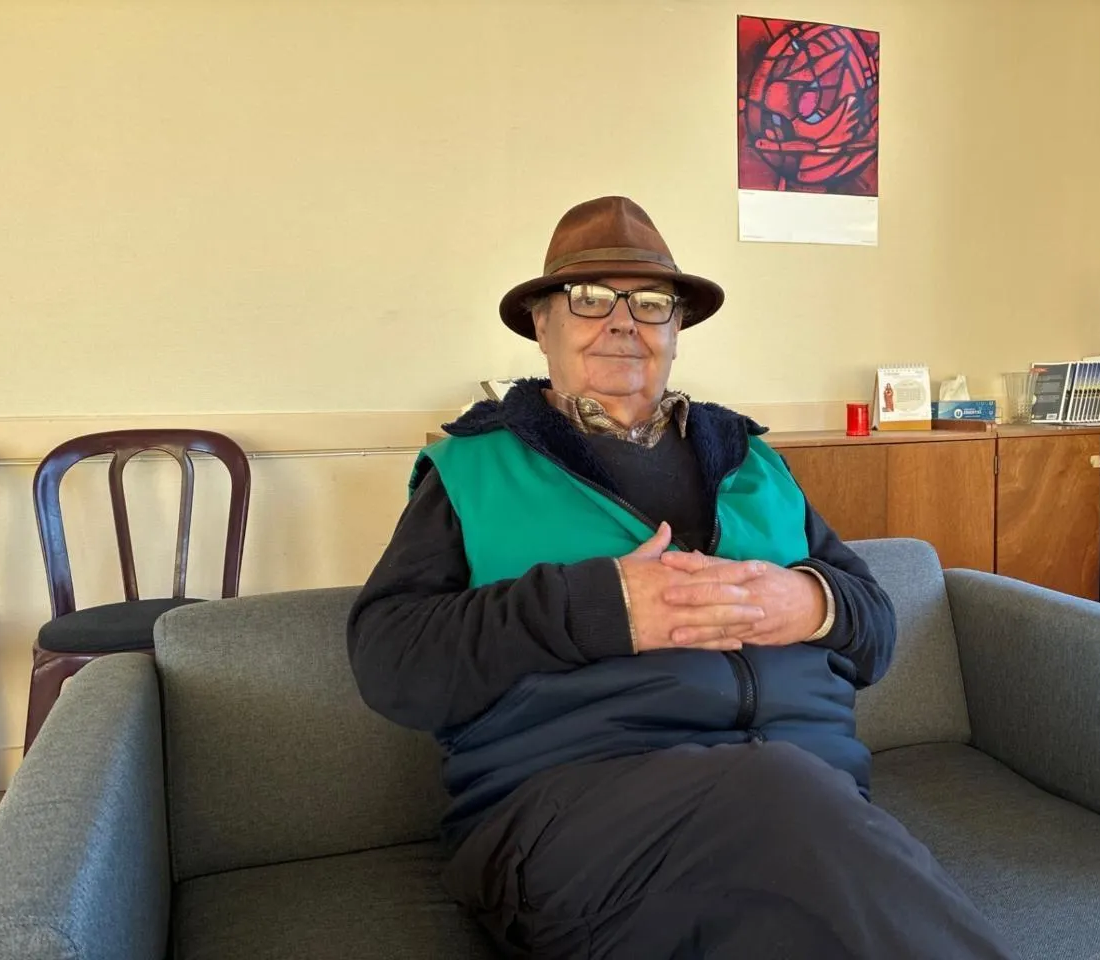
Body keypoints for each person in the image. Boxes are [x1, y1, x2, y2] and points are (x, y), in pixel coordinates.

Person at [348, 196, 1016, 959]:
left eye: (650, 302)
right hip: (571, 811)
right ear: (541, 324)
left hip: (805, 805)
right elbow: (391, 660)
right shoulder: (474, 470)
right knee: (782, 808)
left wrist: (809, 601)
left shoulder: (754, 461)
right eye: (590, 298)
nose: (622, 321)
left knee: (785, 858)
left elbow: (877, 627)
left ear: (675, 330)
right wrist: (599, 607)